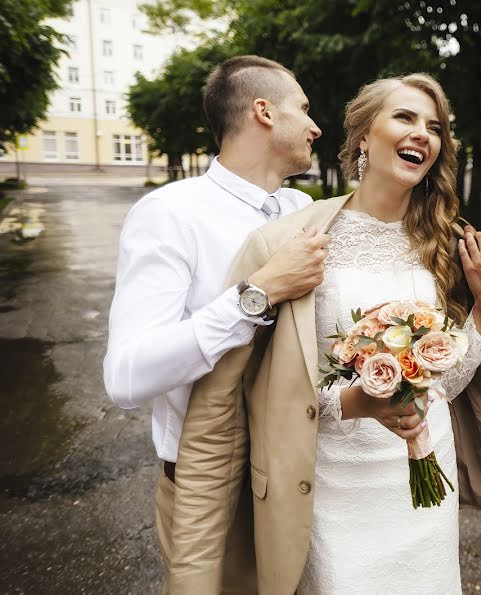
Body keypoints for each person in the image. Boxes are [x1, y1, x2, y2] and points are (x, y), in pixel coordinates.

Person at [168, 73, 481, 594]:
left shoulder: (447, 245)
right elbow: (259, 394)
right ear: (364, 135)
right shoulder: (294, 242)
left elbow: (442, 387)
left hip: (422, 487)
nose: (423, 135)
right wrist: (356, 401)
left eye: (434, 127)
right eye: (405, 118)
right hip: (332, 487)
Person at [102, 55, 328, 593]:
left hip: (303, 476)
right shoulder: (170, 214)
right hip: (214, 489)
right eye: (304, 109)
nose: (316, 126)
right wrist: (259, 294)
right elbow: (126, 376)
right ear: (264, 112)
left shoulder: (303, 208)